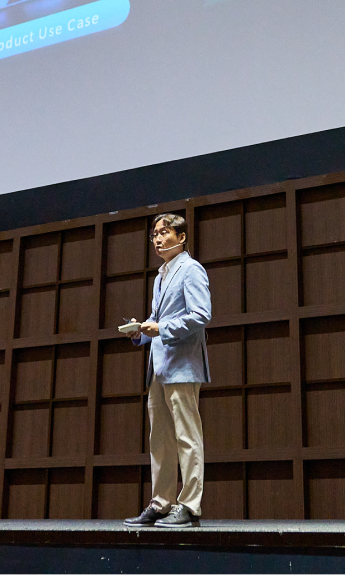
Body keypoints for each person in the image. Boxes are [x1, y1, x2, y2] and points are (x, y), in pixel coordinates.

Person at [120, 212, 211, 527]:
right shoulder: (161, 277)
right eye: (154, 235)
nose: (158, 239)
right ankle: (161, 503)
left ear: (182, 237)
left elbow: (201, 314)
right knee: (159, 438)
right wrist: (140, 333)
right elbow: (158, 322)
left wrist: (160, 329)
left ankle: (190, 505)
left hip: (183, 363)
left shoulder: (191, 269)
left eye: (165, 232)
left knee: (187, 435)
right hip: (159, 366)